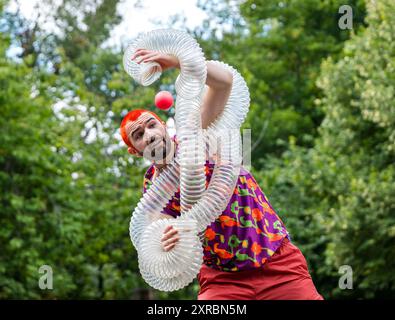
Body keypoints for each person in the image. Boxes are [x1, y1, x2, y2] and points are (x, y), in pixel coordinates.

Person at [121, 49, 323, 300]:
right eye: (138, 135)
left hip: (277, 261)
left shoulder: (195, 133)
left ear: (163, 124)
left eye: (151, 125)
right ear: (134, 151)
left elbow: (224, 83)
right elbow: (159, 237)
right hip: (223, 280)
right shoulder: (154, 189)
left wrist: (179, 61)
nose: (149, 135)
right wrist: (169, 241)